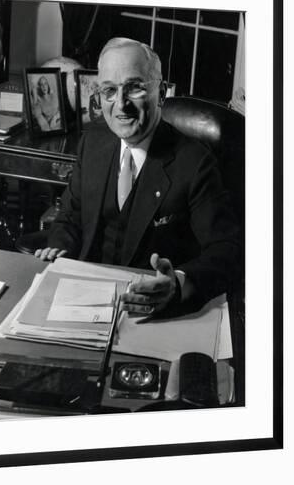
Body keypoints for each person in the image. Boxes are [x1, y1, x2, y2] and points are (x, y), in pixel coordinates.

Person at [35, 37, 241, 316]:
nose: (121, 105)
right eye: (109, 90)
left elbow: (227, 251)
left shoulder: (195, 162)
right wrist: (60, 249)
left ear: (163, 92)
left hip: (154, 312)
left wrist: (177, 283)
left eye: (134, 88)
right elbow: (70, 217)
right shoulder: (92, 144)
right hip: (84, 303)